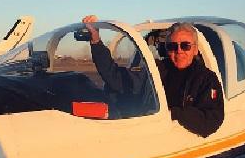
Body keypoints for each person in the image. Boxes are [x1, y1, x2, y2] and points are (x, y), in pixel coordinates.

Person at [82, 16, 224, 137]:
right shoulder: (156, 70)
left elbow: (211, 121)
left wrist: (174, 113)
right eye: (173, 46)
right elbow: (116, 77)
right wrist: (96, 41)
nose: (179, 51)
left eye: (185, 46)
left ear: (195, 49)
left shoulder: (206, 79)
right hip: (150, 135)